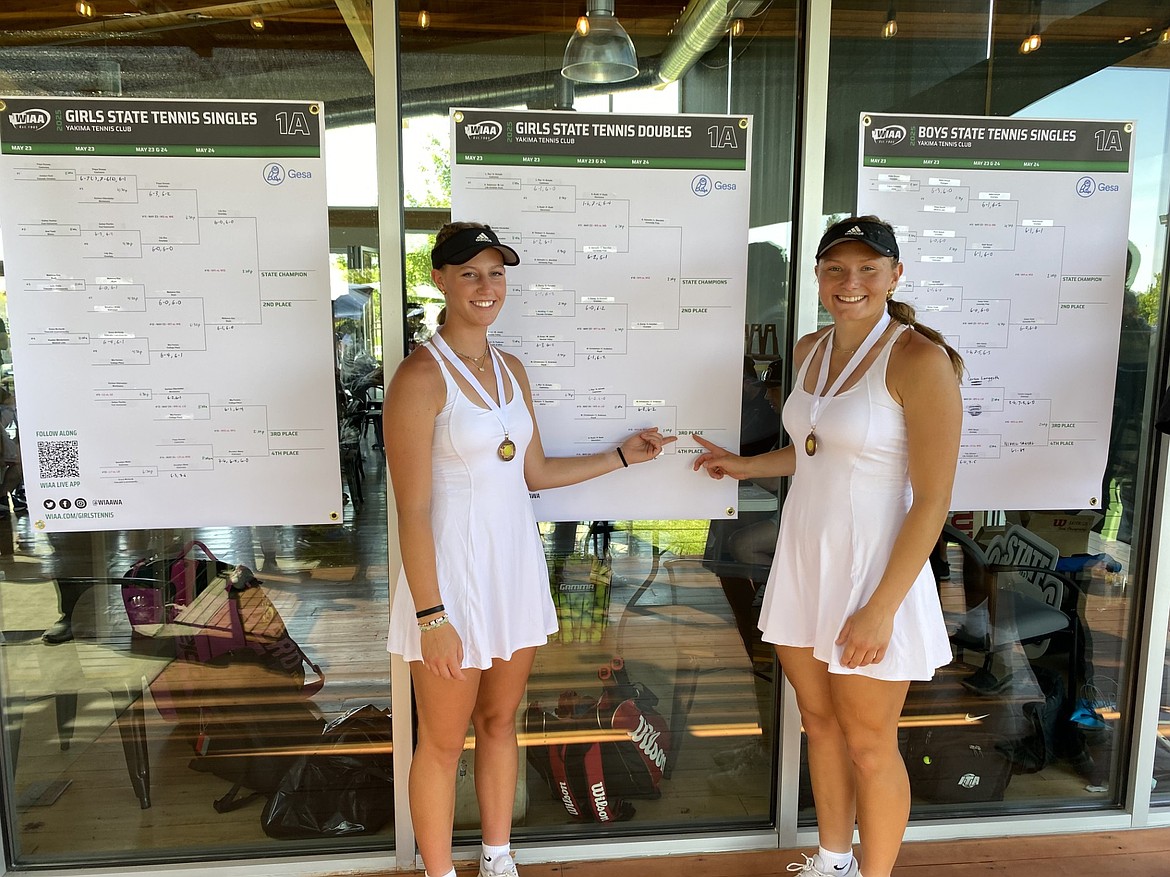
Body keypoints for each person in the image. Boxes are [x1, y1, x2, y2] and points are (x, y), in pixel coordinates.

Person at [385, 221, 673, 877]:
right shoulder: (420, 376)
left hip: (511, 571)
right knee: (441, 743)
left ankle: (498, 857)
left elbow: (533, 471)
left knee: (499, 722)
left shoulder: (510, 368)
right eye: (469, 273)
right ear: (440, 279)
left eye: (495, 273)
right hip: (449, 583)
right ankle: (438, 873)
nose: (485, 286)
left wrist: (623, 456)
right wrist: (431, 616)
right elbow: (412, 509)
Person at [692, 216, 963, 877]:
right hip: (806, 563)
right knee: (819, 724)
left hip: (874, 574)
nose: (851, 281)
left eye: (869, 268)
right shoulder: (812, 347)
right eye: (836, 268)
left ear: (895, 275)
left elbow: (932, 500)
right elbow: (814, 450)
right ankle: (833, 861)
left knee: (870, 745)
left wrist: (881, 609)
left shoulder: (919, 360)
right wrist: (745, 466)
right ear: (817, 276)